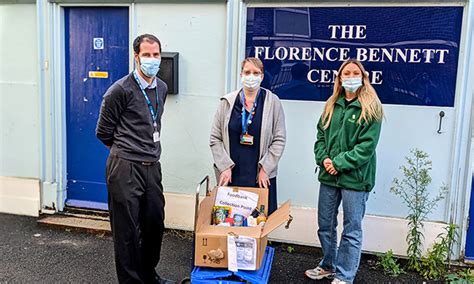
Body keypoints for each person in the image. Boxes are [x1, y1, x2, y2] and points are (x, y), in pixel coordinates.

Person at [96, 34, 174, 284]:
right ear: (136, 56)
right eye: (147, 55)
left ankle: (148, 275)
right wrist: (126, 152)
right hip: (125, 168)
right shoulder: (119, 90)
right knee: (127, 232)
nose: (152, 59)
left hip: (153, 167)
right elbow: (103, 132)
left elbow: (154, 123)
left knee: (154, 225)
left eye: (156, 55)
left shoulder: (161, 87)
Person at [305, 59, 384, 283]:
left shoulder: (371, 107)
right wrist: (324, 159)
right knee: (325, 225)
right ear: (339, 78)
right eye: (345, 73)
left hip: (355, 179)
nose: (350, 77)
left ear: (363, 77)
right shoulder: (332, 104)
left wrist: (338, 163)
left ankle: (345, 275)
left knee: (351, 229)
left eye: (355, 73)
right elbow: (320, 137)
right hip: (329, 177)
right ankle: (328, 264)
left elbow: (366, 147)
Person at [210, 57, 286, 215]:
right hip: (232, 173)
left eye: (256, 73)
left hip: (259, 174)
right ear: (241, 75)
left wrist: (266, 168)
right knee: (231, 219)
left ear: (262, 76)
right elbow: (215, 138)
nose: (251, 76)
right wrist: (224, 166)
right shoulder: (227, 102)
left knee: (259, 220)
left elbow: (279, 139)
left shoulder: (273, 102)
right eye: (247, 72)